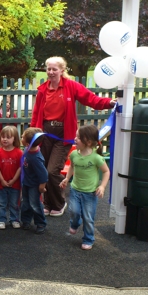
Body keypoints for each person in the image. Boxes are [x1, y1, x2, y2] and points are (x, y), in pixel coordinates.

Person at [30, 56, 115, 217]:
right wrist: (32, 134)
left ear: (62, 70)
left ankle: (59, 203)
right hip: (45, 132)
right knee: (44, 169)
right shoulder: (43, 90)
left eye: (54, 69)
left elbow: (91, 99)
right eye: (48, 69)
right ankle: (48, 203)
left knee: (52, 170)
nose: (51, 72)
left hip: (63, 134)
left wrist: (109, 102)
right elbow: (36, 114)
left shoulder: (71, 86)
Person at [60, 124, 110, 250]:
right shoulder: (74, 154)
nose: (75, 139)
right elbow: (72, 166)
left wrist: (102, 186)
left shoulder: (96, 158)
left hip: (90, 193)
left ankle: (88, 239)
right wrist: (67, 178)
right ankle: (75, 224)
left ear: (88, 142)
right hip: (75, 189)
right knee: (74, 211)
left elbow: (106, 172)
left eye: (78, 137)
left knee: (88, 217)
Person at [20, 127, 48, 234]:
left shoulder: (36, 158)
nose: (21, 137)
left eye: (22, 136)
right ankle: (26, 221)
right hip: (26, 182)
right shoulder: (28, 149)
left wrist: (42, 186)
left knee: (35, 204)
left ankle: (40, 223)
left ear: (27, 143)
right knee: (25, 203)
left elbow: (44, 173)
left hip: (34, 185)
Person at [0, 125, 22, 229]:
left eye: (8, 137)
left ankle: (14, 219)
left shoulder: (19, 152)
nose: (4, 139)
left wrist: (14, 180)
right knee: (1, 203)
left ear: (14, 138)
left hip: (14, 184)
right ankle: (1, 220)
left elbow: (20, 168)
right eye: (3, 137)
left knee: (14, 203)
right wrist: (1, 180)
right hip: (1, 184)